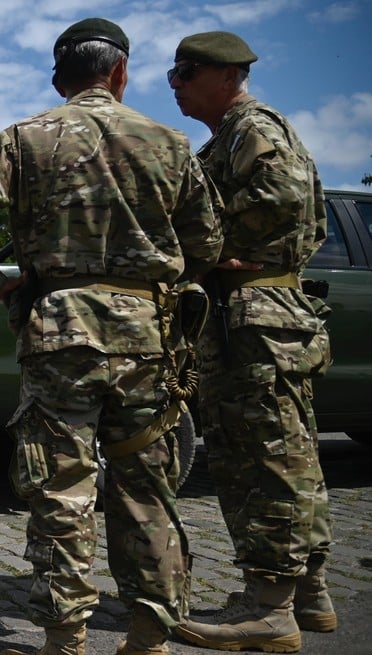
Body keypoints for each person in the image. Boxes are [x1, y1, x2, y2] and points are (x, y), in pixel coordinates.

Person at [0, 18, 223, 655]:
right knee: (147, 483)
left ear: (61, 79)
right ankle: (150, 635)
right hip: (149, 335)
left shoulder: (23, 139)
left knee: (61, 486)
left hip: (60, 331)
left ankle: (66, 640)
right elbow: (206, 242)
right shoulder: (170, 143)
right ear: (120, 73)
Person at [167, 31, 334, 653]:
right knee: (291, 458)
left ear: (221, 73)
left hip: (254, 315)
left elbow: (284, 198)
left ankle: (269, 611)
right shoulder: (232, 135)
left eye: (182, 73)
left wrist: (215, 248)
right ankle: (308, 596)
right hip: (259, 316)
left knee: (259, 462)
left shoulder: (250, 128)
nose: (176, 87)